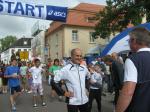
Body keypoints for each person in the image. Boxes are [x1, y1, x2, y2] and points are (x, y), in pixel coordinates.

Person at [115, 27, 150, 112]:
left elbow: (128, 92)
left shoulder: (133, 59)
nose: (129, 43)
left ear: (134, 40)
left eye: (129, 40)